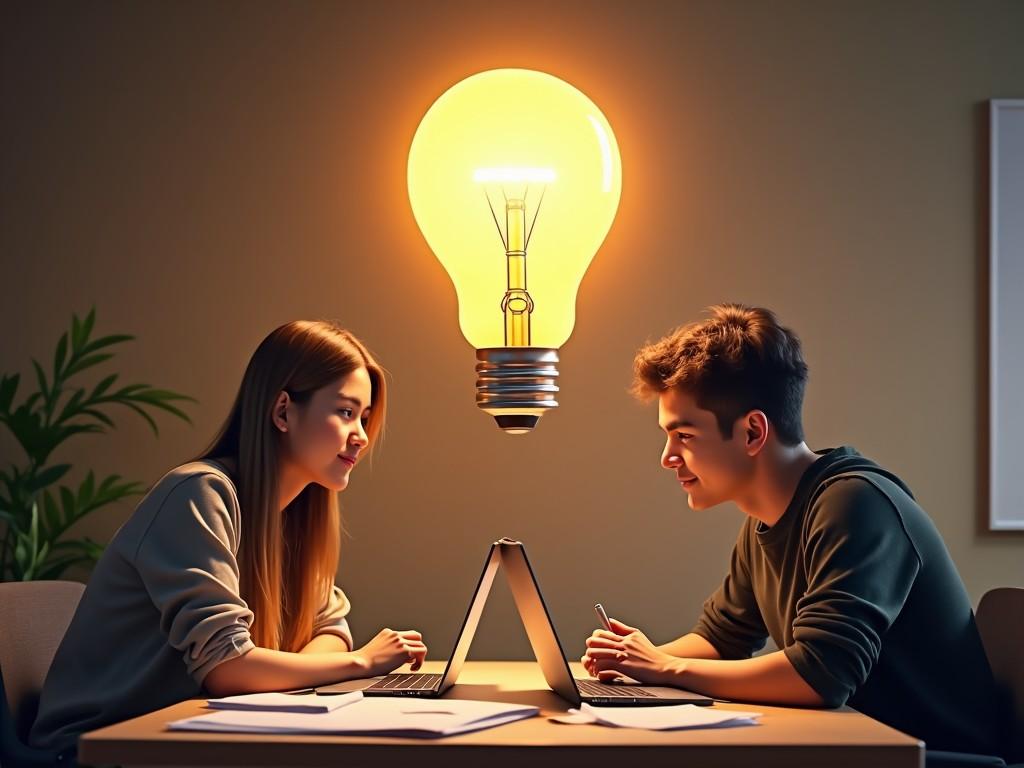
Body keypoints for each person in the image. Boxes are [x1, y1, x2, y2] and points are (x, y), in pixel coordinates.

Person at [582, 304, 999, 756]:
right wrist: (636, 663)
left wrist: (664, 668)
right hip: (852, 750)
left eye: (684, 436)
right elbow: (720, 639)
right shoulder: (766, 517)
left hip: (932, 760)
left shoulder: (856, 504)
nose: (667, 456)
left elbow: (820, 676)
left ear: (753, 432)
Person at [31, 320, 427, 757]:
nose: (362, 437)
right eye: (346, 412)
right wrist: (362, 663)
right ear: (282, 412)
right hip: (95, 750)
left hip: (198, 739)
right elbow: (226, 667)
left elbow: (329, 629)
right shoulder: (198, 494)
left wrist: (285, 671)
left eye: (365, 418)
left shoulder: (296, 517)